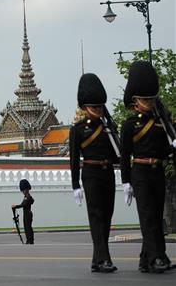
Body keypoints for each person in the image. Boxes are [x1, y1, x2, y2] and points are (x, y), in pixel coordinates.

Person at [120, 61, 175, 274]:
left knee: (156, 214)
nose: (149, 103)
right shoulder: (130, 126)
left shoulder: (163, 122)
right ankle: (157, 256)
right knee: (147, 217)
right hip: (140, 173)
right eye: (145, 99)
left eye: (151, 99)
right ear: (135, 101)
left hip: (157, 171)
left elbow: (164, 151)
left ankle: (146, 259)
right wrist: (126, 181)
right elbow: (125, 155)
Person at [69, 73, 118, 273]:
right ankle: (104, 258)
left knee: (107, 216)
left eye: (99, 107)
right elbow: (73, 159)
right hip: (91, 174)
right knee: (96, 216)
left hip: (107, 173)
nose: (98, 110)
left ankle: (96, 259)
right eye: (94, 107)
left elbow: (118, 154)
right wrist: (75, 186)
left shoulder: (108, 126)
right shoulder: (78, 129)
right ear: (85, 108)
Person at [12, 179, 35, 244]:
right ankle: (28, 239)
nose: (23, 192)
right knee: (26, 227)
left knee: (28, 228)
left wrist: (16, 206)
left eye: (24, 190)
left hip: (28, 214)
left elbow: (23, 205)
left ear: (27, 189)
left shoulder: (28, 197)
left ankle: (30, 240)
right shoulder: (26, 197)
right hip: (26, 214)